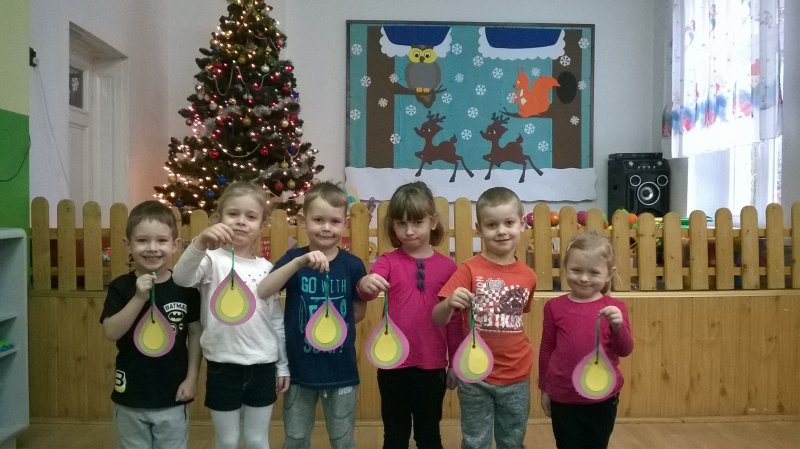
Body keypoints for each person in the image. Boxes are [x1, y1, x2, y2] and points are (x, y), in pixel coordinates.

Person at [172, 181, 289, 449]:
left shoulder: (267, 268)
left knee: (257, 439)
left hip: (262, 365)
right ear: (218, 218)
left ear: (262, 225)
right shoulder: (210, 260)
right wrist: (200, 241)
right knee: (226, 440)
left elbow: (275, 321)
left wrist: (282, 365)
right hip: (222, 366)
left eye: (251, 217)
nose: (241, 222)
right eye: (233, 214)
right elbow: (181, 277)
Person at [257, 181, 366, 449]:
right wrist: (298, 263)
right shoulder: (294, 259)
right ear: (303, 221)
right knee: (295, 437)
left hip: (341, 370)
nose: (326, 227)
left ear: (345, 223)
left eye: (334, 221)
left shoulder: (353, 265)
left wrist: (330, 331)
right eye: (318, 220)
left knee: (342, 439)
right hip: (299, 372)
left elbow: (357, 312)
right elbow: (264, 290)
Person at [357, 181, 460, 449]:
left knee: (429, 434)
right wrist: (365, 284)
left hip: (432, 365)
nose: (409, 230)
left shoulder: (448, 267)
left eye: (417, 222)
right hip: (392, 363)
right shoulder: (387, 261)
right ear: (392, 225)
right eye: (401, 223)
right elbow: (368, 291)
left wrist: (455, 363)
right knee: (395, 434)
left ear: (433, 221)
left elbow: (455, 321)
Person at [433, 187, 537, 449]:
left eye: (509, 223)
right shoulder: (468, 270)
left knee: (512, 441)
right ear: (479, 229)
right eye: (492, 225)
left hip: (516, 375)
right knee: (475, 441)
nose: (501, 231)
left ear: (522, 223)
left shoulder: (529, 276)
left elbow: (517, 318)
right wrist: (449, 303)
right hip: (474, 375)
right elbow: (438, 319)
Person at [100, 200, 202, 449]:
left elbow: (195, 334)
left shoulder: (185, 287)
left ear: (175, 245)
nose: (152, 248)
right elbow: (111, 332)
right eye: (142, 240)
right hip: (130, 396)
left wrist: (192, 378)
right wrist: (138, 298)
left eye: (162, 240)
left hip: (173, 394)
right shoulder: (121, 287)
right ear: (128, 245)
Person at [538, 231, 634, 449]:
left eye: (593, 272)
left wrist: (618, 326)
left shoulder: (616, 308)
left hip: (602, 398)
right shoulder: (554, 307)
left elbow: (625, 349)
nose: (583, 278)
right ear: (565, 268)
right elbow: (547, 349)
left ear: (609, 274)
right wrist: (544, 388)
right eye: (576, 270)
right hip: (563, 396)